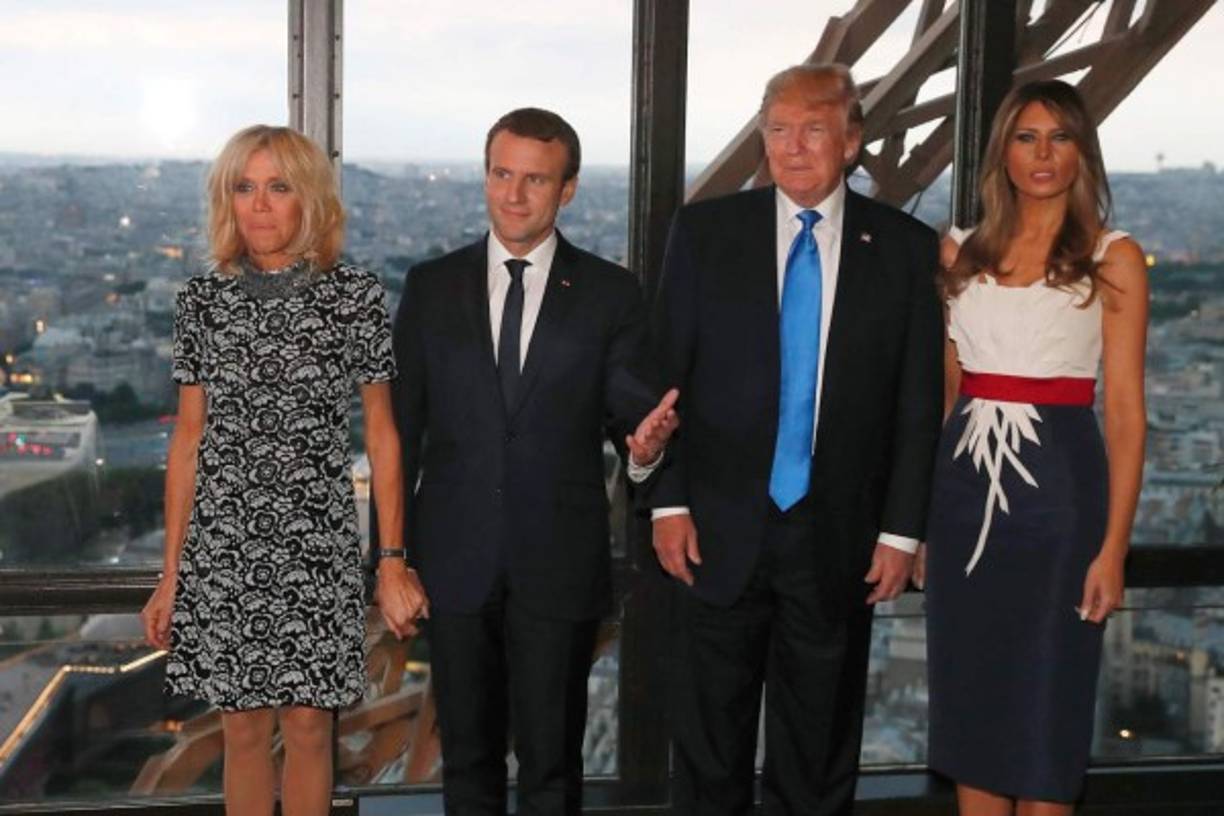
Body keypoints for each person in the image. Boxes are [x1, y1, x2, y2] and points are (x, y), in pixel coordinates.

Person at [647, 64, 944, 815]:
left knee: (817, 759)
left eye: (814, 129)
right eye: (778, 129)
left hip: (839, 535)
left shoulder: (905, 249)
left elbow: (916, 402)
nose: (793, 147)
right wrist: (668, 504)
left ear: (852, 142)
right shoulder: (708, 231)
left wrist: (903, 531)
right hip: (713, 530)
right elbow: (664, 381)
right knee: (708, 753)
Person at [385, 107, 677, 816]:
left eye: (535, 180)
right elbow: (397, 432)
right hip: (453, 564)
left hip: (557, 563)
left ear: (568, 190)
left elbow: (628, 417)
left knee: (552, 770)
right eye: (501, 174)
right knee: (467, 767)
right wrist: (389, 558)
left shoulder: (610, 292)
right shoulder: (431, 287)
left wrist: (644, 450)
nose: (513, 195)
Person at [139, 125, 427, 816]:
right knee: (241, 730)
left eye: (278, 187)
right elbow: (188, 443)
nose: (260, 206)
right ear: (226, 201)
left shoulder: (353, 297)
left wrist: (391, 560)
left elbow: (384, 439)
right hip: (225, 545)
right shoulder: (201, 302)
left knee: (307, 727)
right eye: (245, 187)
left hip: (316, 542)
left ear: (310, 201)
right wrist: (171, 575)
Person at [921, 79, 1147, 814]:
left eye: (1060, 136)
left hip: (1060, 503)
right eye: (1026, 136)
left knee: (1047, 713)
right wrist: (922, 523)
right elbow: (947, 398)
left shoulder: (1114, 257)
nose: (1043, 154)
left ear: (1083, 150)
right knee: (971, 708)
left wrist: (1113, 548)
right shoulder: (957, 251)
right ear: (1002, 152)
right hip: (961, 506)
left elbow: (1123, 412)